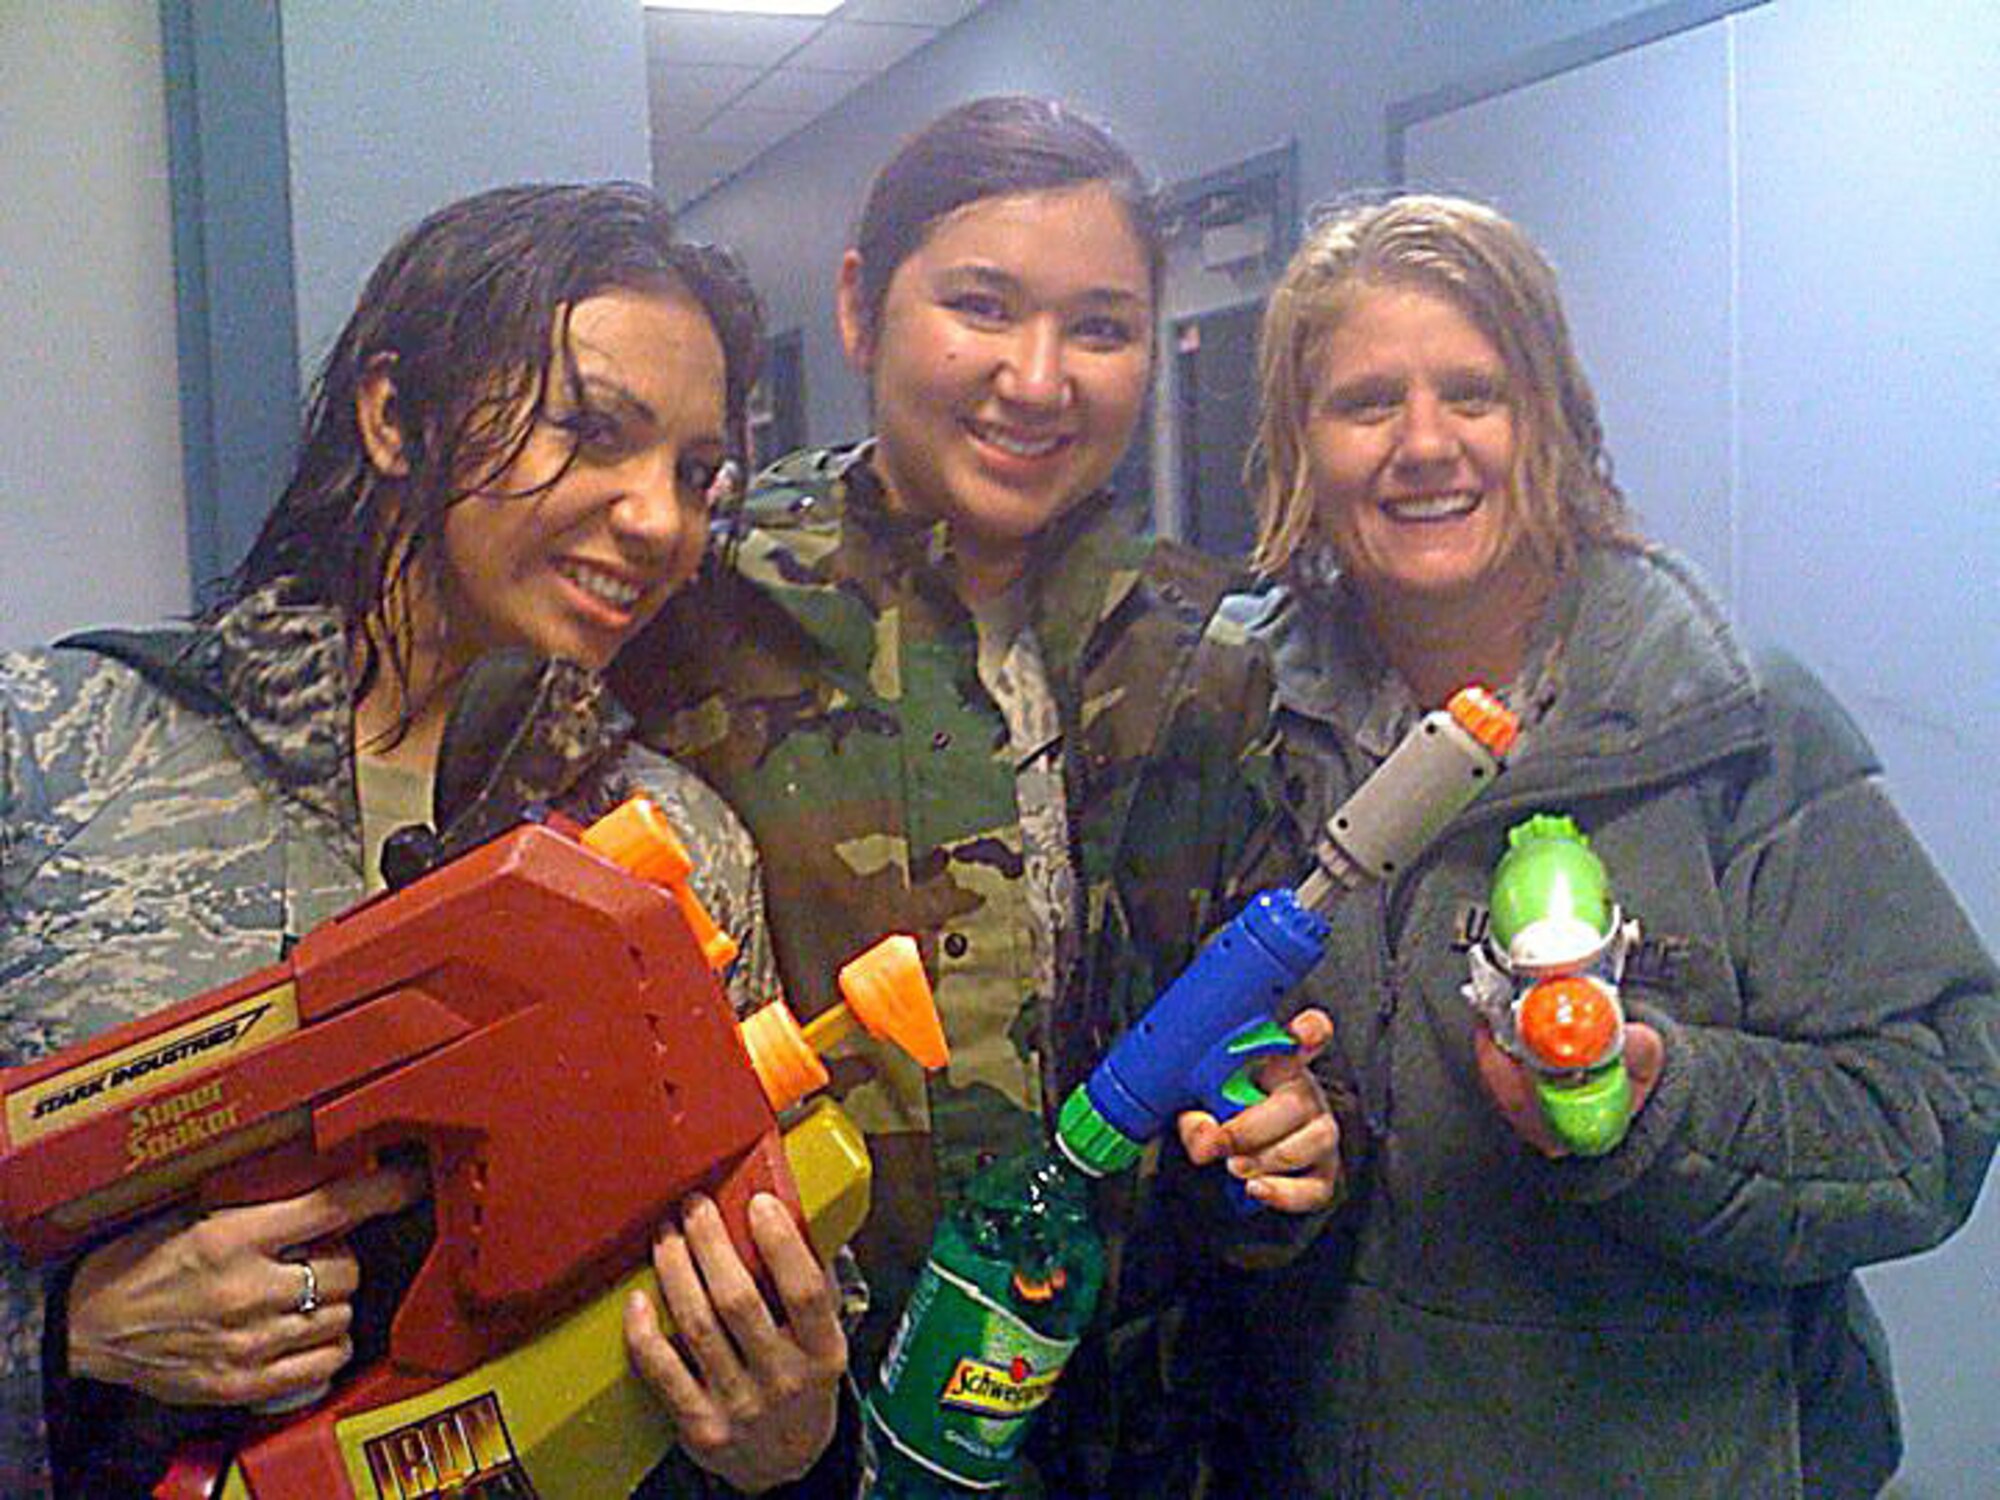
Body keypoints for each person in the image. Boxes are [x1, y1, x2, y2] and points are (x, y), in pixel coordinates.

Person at [0, 182, 846, 1497]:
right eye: (593, 434)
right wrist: (68, 1340)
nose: (659, 519)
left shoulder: (679, 845)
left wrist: (791, 1440)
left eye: (693, 472)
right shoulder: (56, 753)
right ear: (396, 418)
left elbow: (762, 1327)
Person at [1217, 191, 2000, 1497]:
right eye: (1366, 404)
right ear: (1302, 443)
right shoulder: (1241, 719)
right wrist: (1266, 1139)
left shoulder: (1734, 722)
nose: (1424, 446)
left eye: (1474, 393)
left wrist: (1659, 1106)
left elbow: (1939, 1108)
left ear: (1552, 421)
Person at [617, 97, 1345, 1494]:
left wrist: (1295, 1138)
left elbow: (1273, 1050)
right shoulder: (696, 618)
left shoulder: (1209, 657)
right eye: (982, 306)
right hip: (784, 1440)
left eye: (1100, 326)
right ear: (859, 307)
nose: (1038, 377)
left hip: (1138, 1440)